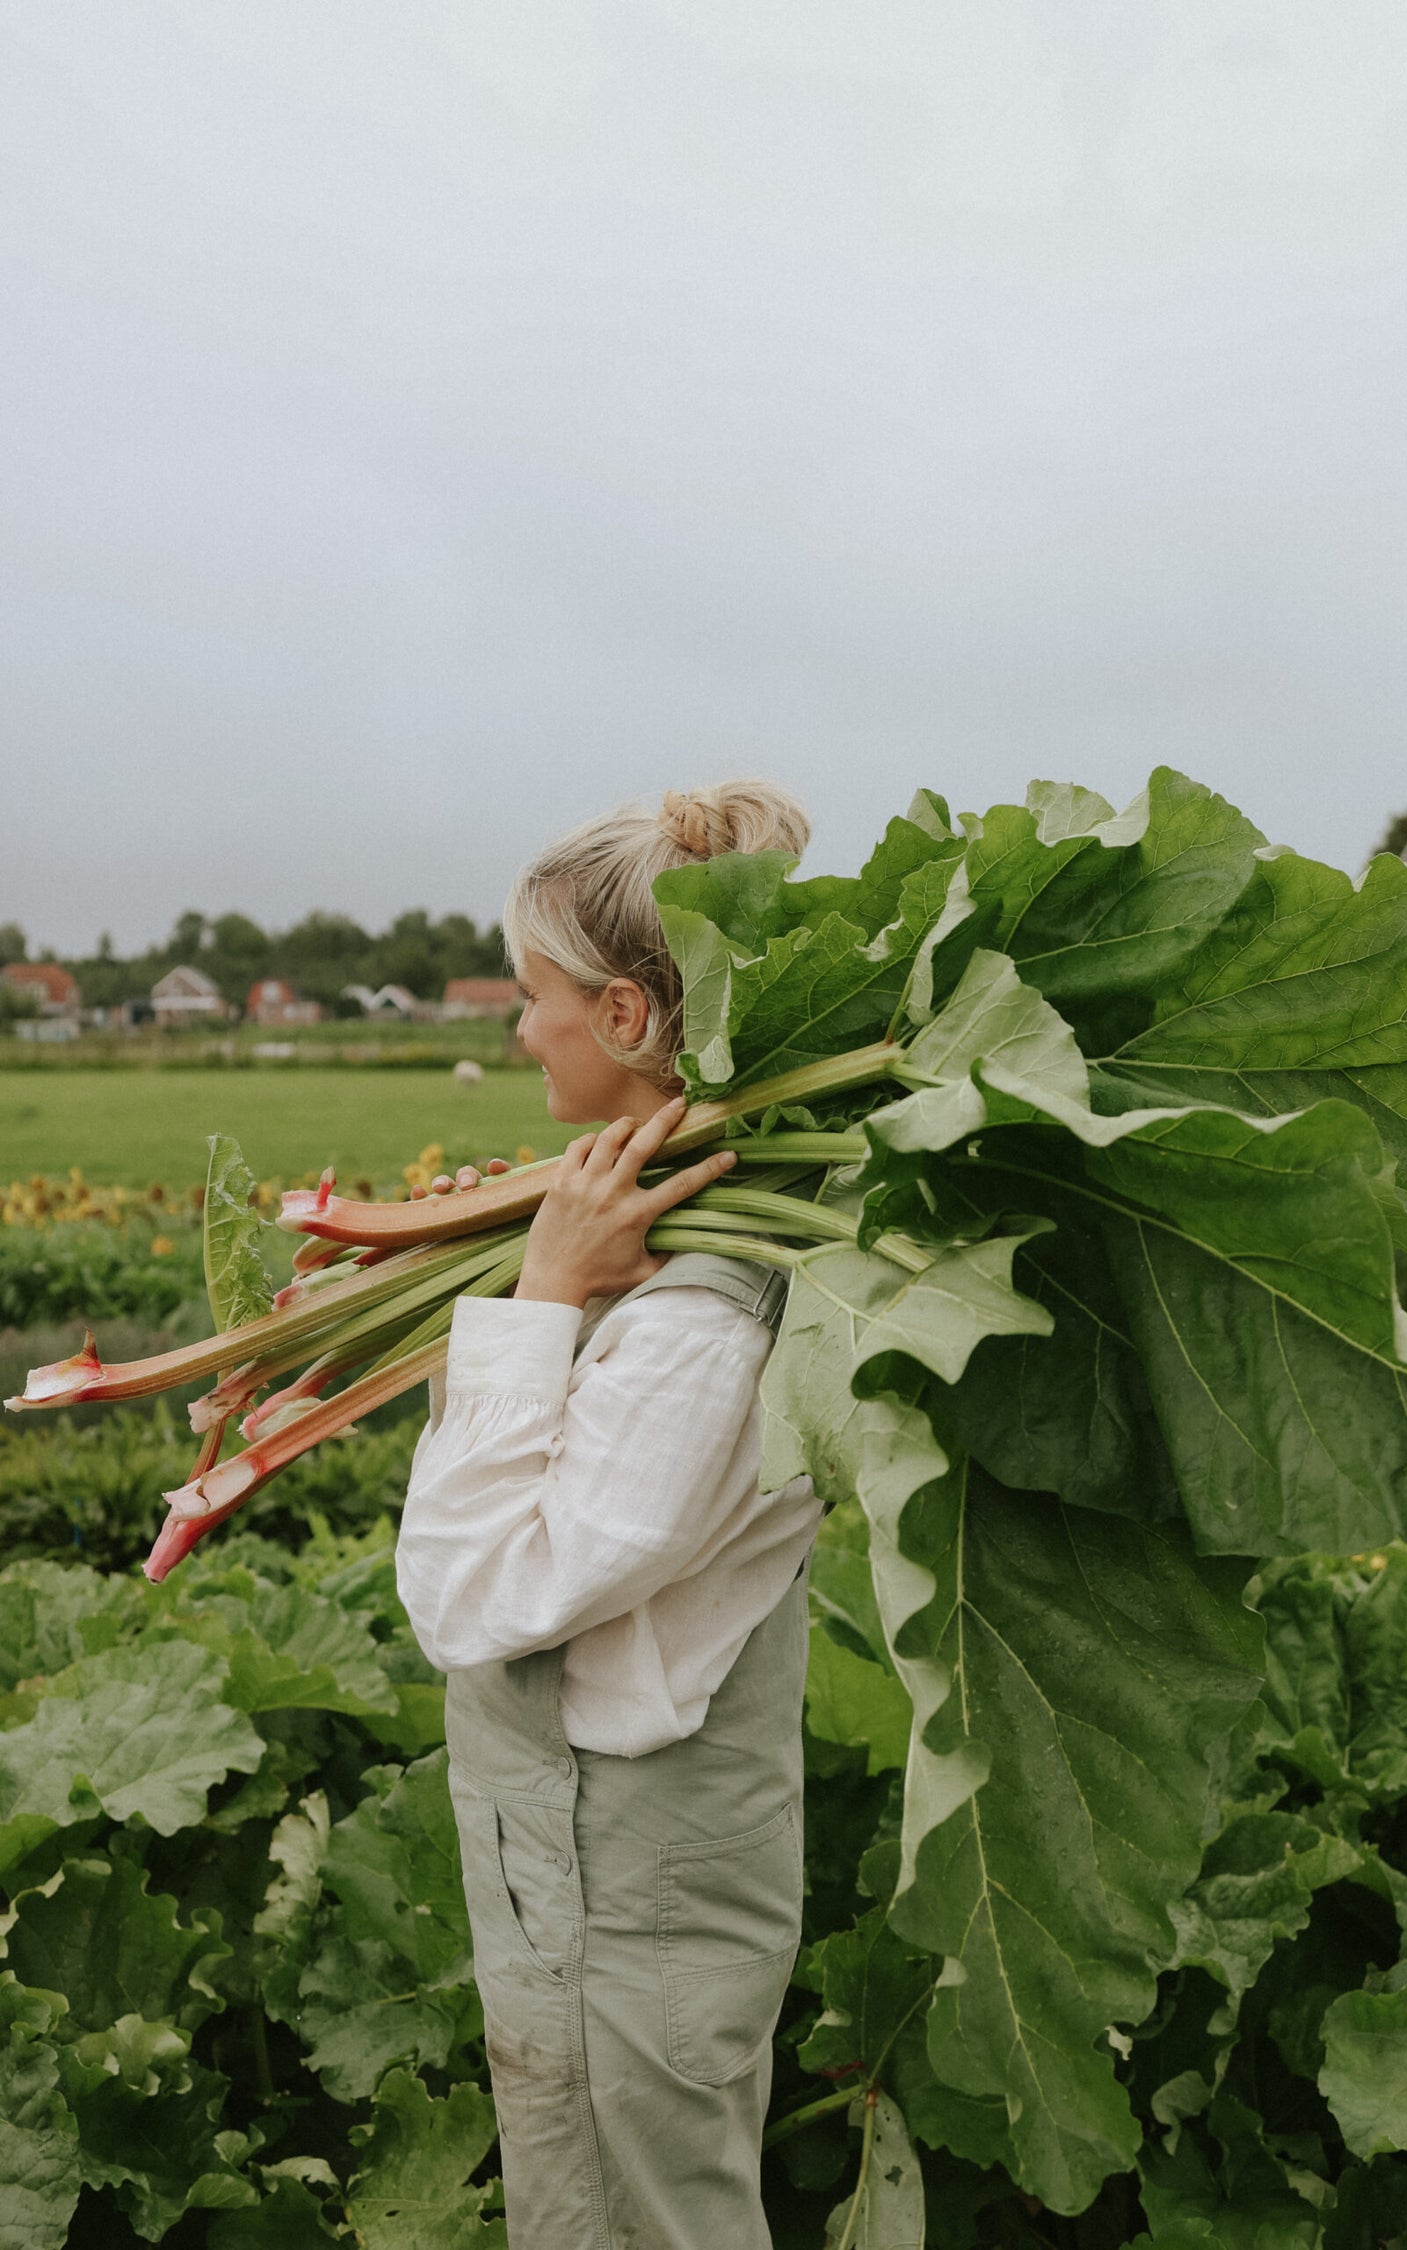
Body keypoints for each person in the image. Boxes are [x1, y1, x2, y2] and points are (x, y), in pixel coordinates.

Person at [394, 780, 824, 2250]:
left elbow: (470, 1595)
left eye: (536, 999)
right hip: (600, 1875)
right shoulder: (673, 1257)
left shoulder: (702, 1321)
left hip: (623, 1889)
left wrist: (538, 1299)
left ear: (630, 1017)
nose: (519, 1034)